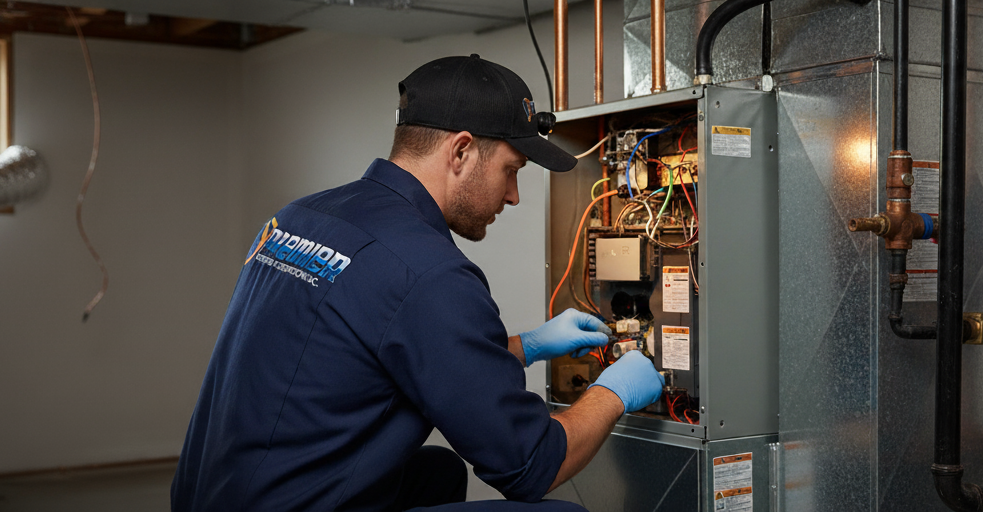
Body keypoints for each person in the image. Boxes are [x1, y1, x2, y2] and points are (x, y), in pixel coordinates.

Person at [171, 54, 664, 512]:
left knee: (435, 472)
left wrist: (528, 346)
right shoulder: (429, 272)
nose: (513, 196)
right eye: (511, 171)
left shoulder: (302, 215)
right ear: (462, 152)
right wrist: (613, 392)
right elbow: (532, 464)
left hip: (213, 494)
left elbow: (391, 351)